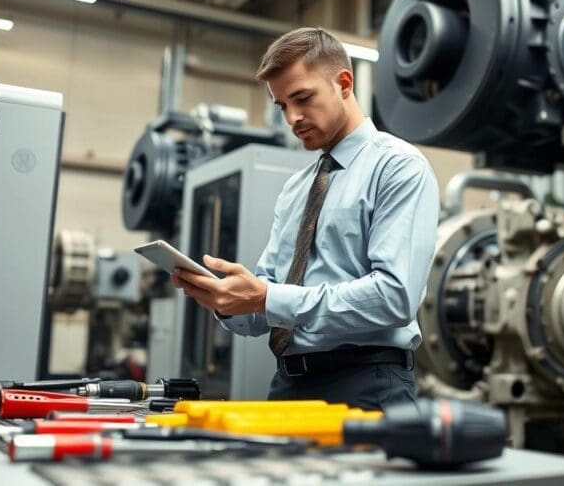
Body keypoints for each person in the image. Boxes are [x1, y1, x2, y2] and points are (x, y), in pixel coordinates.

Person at [172, 27, 439, 410]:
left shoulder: (398, 167)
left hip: (367, 385)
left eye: (302, 98)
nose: (293, 118)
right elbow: (267, 303)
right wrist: (227, 300)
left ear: (343, 83)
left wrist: (267, 297)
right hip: (288, 384)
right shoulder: (296, 188)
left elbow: (393, 297)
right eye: (282, 105)